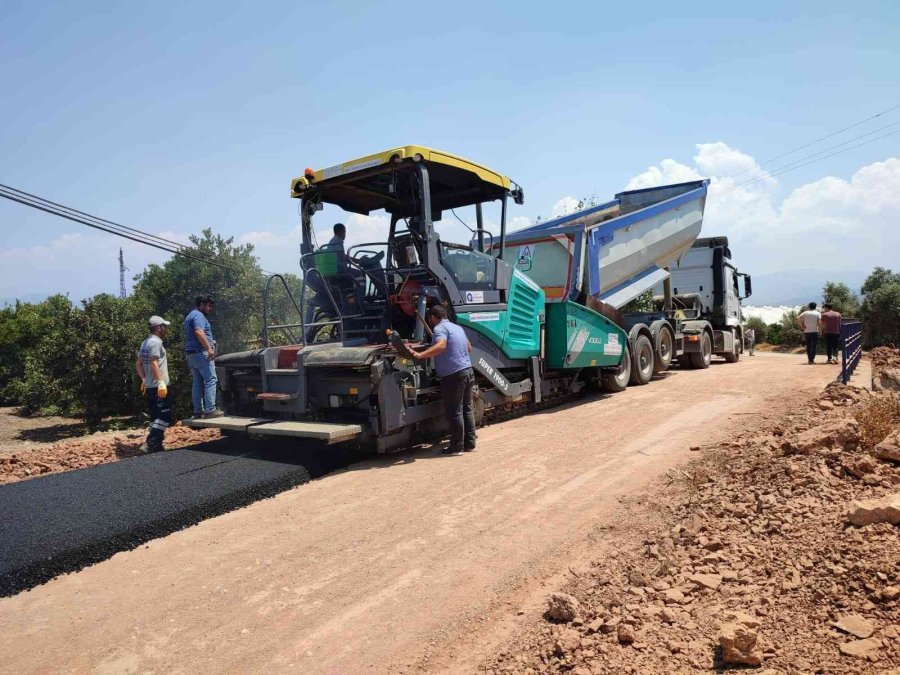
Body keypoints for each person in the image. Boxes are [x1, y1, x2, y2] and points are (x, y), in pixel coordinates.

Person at [411, 305, 476, 455]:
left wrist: (421, 355)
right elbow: (469, 347)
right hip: (468, 371)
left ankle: (456, 448)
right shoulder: (457, 328)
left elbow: (441, 346)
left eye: (430, 318)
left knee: (455, 411)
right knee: (466, 409)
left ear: (433, 317)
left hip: (454, 375)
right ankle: (469, 444)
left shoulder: (439, 329)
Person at [135, 316, 171, 452]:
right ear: (158, 328)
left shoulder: (145, 343)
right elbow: (154, 363)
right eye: (164, 326)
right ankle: (150, 443)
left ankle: (157, 445)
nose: (165, 329)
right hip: (159, 387)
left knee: (155, 417)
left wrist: (144, 379)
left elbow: (138, 364)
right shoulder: (156, 342)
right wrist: (161, 382)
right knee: (163, 416)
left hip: (150, 386)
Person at [183, 295, 223, 418]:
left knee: (197, 382)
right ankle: (210, 410)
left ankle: (198, 411)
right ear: (201, 304)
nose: (210, 309)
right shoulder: (198, 315)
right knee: (211, 380)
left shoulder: (190, 316)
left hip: (191, 354)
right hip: (201, 353)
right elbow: (199, 332)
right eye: (209, 306)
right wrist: (209, 348)